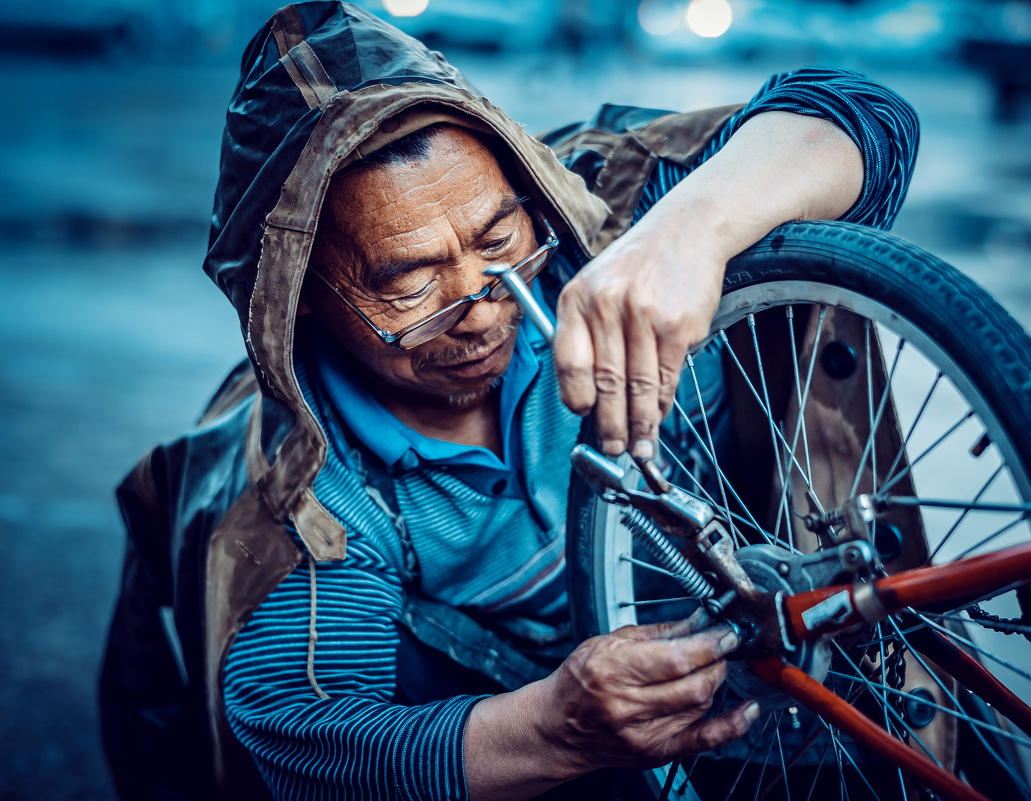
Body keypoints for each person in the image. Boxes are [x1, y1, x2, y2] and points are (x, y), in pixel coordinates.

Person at [99, 3, 918, 800]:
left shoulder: (606, 207)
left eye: (498, 241)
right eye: (410, 281)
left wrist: (687, 233)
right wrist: (555, 726)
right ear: (298, 298)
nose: (484, 304)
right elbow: (312, 741)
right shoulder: (306, 489)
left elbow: (864, 117)